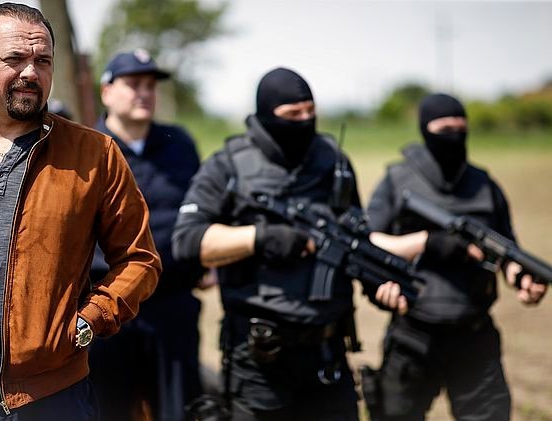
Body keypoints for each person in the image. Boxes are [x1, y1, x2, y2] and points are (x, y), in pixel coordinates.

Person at [0, 3, 161, 419]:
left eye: (42, 61)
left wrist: (92, 318)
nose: (30, 73)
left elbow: (139, 259)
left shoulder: (95, 153)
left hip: (52, 393)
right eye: (14, 59)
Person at [172, 67, 407, 420]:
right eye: (292, 114)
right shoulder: (229, 165)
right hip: (259, 361)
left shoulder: (333, 160)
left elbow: (354, 237)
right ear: (267, 115)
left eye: (311, 111)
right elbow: (188, 240)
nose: (304, 121)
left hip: (329, 356)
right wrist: (259, 237)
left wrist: (377, 283)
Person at [364, 93, 547, 421]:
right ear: (425, 129)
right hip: (414, 333)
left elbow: (507, 251)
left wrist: (520, 278)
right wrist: (427, 242)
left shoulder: (484, 185)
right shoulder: (397, 180)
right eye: (445, 129)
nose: (455, 137)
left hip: (474, 334)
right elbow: (370, 240)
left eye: (461, 128)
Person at [88, 49, 205, 420]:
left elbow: (202, 211)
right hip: (108, 312)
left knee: (179, 411)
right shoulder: (87, 147)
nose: (145, 93)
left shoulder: (179, 144)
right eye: (134, 84)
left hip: (171, 305)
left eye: (151, 86)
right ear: (107, 92)